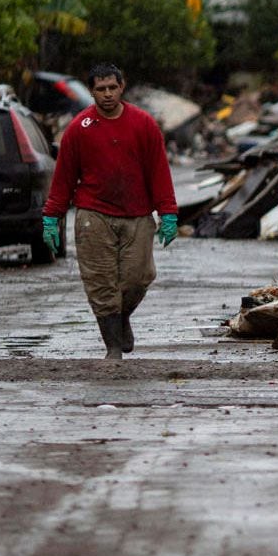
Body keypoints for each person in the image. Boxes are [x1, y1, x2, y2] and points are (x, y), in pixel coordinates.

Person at [41, 63, 179, 359]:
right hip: (94, 214)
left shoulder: (143, 124)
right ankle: (113, 347)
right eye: (100, 89)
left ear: (122, 87)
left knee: (138, 277)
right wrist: (52, 217)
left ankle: (121, 317)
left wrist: (168, 213)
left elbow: (158, 171)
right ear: (91, 91)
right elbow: (63, 178)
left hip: (138, 214)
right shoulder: (79, 129)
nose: (107, 95)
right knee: (101, 282)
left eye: (112, 88)